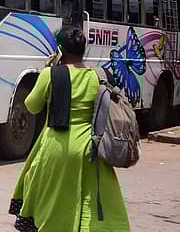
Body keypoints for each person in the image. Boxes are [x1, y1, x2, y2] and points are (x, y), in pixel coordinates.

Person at [9, 28, 130, 231]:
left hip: (58, 147)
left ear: (59, 50)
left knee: (52, 200)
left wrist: (48, 71)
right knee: (91, 202)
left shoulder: (51, 74)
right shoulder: (101, 75)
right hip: (93, 148)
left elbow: (32, 106)